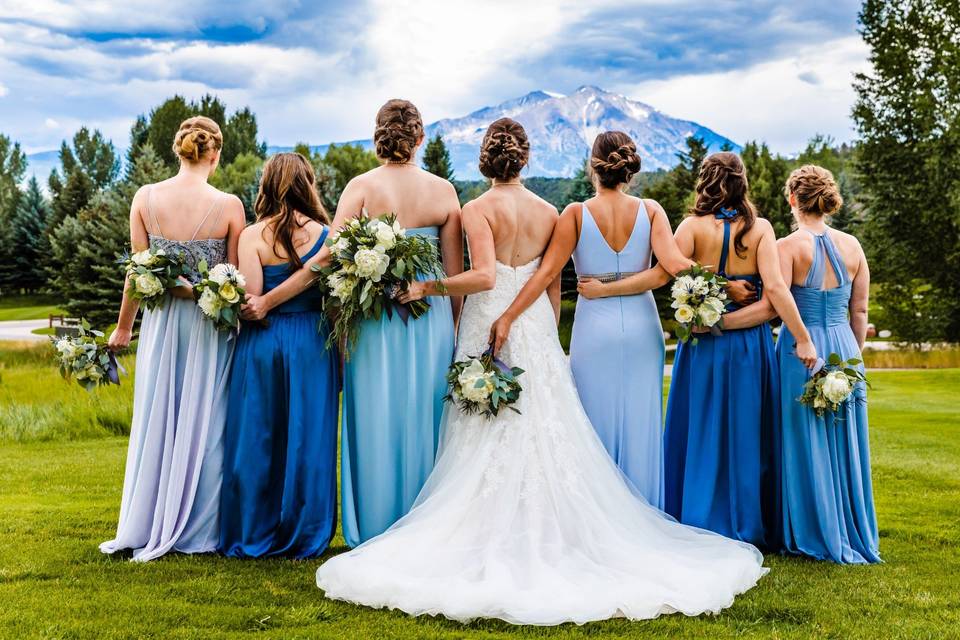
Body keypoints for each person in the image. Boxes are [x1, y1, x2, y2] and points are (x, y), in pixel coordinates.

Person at [314, 122, 768, 626]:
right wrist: (547, 336)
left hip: (492, 319)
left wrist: (442, 301)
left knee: (482, 427)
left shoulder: (477, 210)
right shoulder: (551, 212)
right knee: (547, 428)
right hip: (535, 328)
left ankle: (483, 530)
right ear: (525, 159)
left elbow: (490, 276)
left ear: (486, 161)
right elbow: (551, 285)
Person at [241, 100, 462, 547]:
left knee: (375, 413)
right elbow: (452, 276)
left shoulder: (360, 187)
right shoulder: (444, 192)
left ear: (377, 136)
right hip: (430, 320)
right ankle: (430, 520)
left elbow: (326, 262)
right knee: (428, 414)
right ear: (419, 139)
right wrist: (456, 335)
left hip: (375, 317)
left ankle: (377, 526)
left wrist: (270, 300)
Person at [101, 116, 245, 561]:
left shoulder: (145, 198)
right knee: (208, 422)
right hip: (208, 326)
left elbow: (136, 272)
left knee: (157, 416)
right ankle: (201, 529)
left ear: (178, 151)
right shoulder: (230, 205)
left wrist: (124, 327)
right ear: (215, 154)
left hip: (161, 326)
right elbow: (236, 281)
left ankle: (146, 521)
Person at [661, 152, 817, 549]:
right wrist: (800, 335)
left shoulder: (691, 227)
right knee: (747, 430)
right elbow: (775, 291)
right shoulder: (760, 228)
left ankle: (694, 515)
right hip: (750, 343)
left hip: (703, 343)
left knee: (702, 426)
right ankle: (749, 522)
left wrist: (709, 314)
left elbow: (671, 276)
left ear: (705, 180)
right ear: (742, 181)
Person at [219, 153, 339, 558]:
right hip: (312, 341)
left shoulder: (252, 236)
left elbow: (251, 299)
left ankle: (253, 529)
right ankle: (305, 533)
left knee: (256, 436)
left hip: (262, 342)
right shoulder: (327, 235)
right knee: (309, 437)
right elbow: (333, 302)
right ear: (308, 184)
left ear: (266, 185)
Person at [772, 164, 879, 563]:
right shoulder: (853, 245)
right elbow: (861, 308)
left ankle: (811, 531)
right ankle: (851, 527)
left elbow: (779, 303)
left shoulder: (786, 247)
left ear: (793, 199)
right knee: (843, 438)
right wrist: (853, 356)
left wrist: (803, 338)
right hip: (845, 345)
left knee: (803, 436)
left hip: (803, 346)